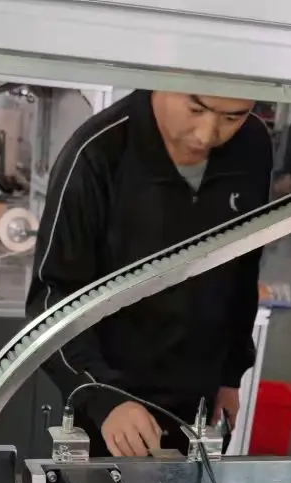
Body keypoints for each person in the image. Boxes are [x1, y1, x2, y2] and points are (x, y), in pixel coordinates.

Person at [28, 90, 274, 457]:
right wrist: (102, 397)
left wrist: (230, 376)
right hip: (112, 403)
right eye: (196, 108)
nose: (207, 134)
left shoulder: (252, 146)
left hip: (199, 404)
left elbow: (242, 269)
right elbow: (51, 298)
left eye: (232, 117)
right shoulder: (99, 152)